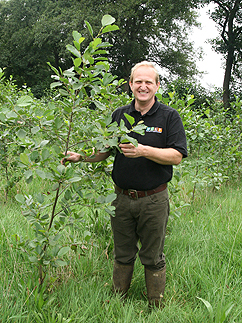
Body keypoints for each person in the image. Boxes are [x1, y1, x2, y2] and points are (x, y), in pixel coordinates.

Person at [63, 61, 188, 308]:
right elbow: (105, 151)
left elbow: (177, 156)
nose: (143, 86)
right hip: (120, 199)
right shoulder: (119, 115)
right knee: (122, 254)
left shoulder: (169, 116)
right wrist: (81, 156)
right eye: (138, 82)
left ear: (157, 86)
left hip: (154, 200)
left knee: (152, 256)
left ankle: (156, 305)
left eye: (148, 82)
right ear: (130, 85)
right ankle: (119, 302)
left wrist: (144, 151)